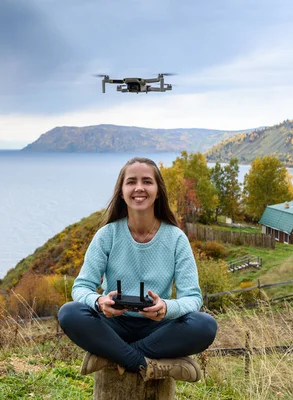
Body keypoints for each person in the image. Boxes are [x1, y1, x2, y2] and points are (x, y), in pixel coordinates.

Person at [58, 157, 218, 382]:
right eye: (131, 182)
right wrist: (99, 302)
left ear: (158, 191)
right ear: (122, 192)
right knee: (69, 313)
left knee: (205, 325)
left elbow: (192, 298)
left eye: (147, 182)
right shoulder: (107, 235)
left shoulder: (176, 239)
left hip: (158, 328)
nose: (139, 188)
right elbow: (81, 287)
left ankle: (112, 356)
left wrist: (166, 307)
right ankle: (146, 364)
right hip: (112, 324)